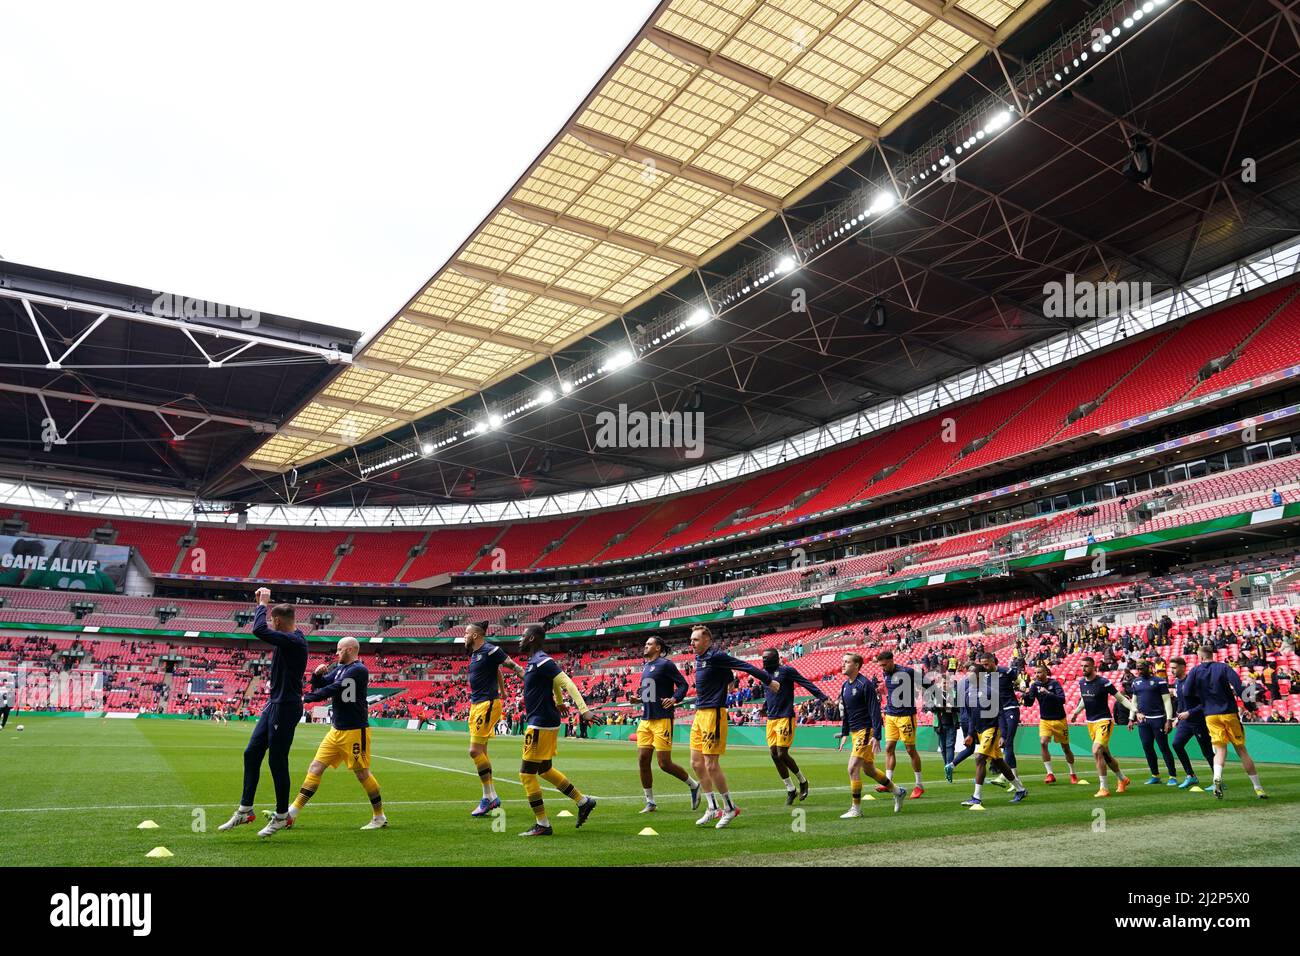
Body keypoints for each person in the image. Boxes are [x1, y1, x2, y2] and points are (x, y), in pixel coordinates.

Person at [218, 589, 309, 836]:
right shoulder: (290, 636)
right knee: (252, 753)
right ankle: (246, 810)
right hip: (274, 704)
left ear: (278, 622)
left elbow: (258, 630)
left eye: (272, 620)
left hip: (286, 707)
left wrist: (262, 603)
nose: (270, 624)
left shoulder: (294, 641)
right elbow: (267, 629)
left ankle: (282, 816)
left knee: (277, 760)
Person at [280, 636, 387, 831]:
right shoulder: (340, 669)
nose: (336, 653)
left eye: (339, 649)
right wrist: (317, 676)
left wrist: (305, 698)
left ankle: (379, 816)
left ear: (349, 650)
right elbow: (322, 685)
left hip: (355, 730)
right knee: (315, 767)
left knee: (362, 774)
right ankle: (292, 813)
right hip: (336, 730)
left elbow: (334, 689)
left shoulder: (358, 670)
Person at [687, 625, 780, 828]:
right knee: (696, 763)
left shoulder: (716, 656)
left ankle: (729, 808)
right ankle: (712, 807)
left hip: (713, 714)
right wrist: (729, 680)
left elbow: (743, 665)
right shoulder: (700, 659)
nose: (691, 643)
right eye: (691, 640)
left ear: (707, 641)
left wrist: (768, 680)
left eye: (695, 640)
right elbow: (726, 672)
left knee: (711, 764)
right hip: (699, 714)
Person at [516, 624, 603, 836]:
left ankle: (543, 824)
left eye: (523, 635)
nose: (520, 638)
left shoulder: (542, 660)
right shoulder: (535, 663)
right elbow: (553, 681)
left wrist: (583, 710)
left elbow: (567, 682)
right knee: (544, 769)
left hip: (540, 723)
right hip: (545, 720)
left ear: (532, 638)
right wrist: (559, 700)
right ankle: (583, 801)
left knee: (526, 774)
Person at [1183, 646, 1267, 800]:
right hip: (1228, 713)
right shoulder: (1223, 667)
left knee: (1220, 750)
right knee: (1241, 750)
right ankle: (1258, 788)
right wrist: (1250, 706)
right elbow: (1240, 687)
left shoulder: (1195, 671)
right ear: (1211, 655)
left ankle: (1217, 778)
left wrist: (1201, 698)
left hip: (1210, 715)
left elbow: (1187, 692)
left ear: (1201, 657)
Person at [464, 620, 525, 818]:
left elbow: (511, 665)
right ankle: (489, 797)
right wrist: (504, 689)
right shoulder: (476, 654)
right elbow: (497, 669)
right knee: (482, 752)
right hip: (477, 705)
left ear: (475, 635)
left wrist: (530, 680)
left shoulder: (491, 649)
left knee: (474, 751)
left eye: (466, 633)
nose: (464, 636)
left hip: (487, 705)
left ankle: (489, 797)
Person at [633, 635, 699, 813]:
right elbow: (650, 694)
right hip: (646, 719)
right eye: (645, 643)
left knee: (664, 763)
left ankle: (693, 785)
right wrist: (638, 699)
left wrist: (674, 698)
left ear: (658, 648)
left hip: (662, 719)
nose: (645, 646)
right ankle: (650, 802)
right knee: (643, 760)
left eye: (649, 644)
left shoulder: (666, 664)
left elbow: (683, 685)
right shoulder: (646, 666)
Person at [836, 653, 906, 817]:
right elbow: (846, 712)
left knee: (852, 768)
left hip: (866, 730)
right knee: (869, 770)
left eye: (846, 662)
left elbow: (874, 710)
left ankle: (856, 809)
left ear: (857, 665)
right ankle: (898, 791)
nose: (843, 664)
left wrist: (877, 736)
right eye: (842, 661)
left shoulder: (864, 684)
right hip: (855, 732)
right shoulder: (845, 686)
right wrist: (845, 732)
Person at [958, 655, 1028, 808]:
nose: (968, 675)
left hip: (992, 730)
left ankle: (976, 797)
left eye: (972, 672)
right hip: (979, 731)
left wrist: (1003, 734)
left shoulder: (990, 692)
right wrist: (970, 734)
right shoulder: (968, 693)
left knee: (980, 758)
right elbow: (971, 717)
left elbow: (1000, 714)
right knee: (999, 762)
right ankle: (1020, 789)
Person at [761, 647, 827, 804]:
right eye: (762, 658)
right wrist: (765, 706)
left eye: (766, 658)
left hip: (785, 717)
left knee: (782, 753)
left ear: (775, 659)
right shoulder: (764, 675)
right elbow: (770, 694)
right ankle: (790, 789)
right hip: (772, 719)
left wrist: (822, 697)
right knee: (773, 754)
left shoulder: (786, 671)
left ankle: (803, 781)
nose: (763, 660)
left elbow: (805, 683)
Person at [1070, 657, 1135, 798]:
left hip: (1104, 721)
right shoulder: (1082, 683)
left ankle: (1104, 788)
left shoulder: (1103, 683)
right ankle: (1123, 779)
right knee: (1106, 755)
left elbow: (1121, 698)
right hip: (1091, 723)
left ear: (1094, 667)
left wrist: (1135, 710)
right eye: (1082, 666)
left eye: (1086, 666)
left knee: (1096, 750)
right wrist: (1076, 712)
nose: (1083, 668)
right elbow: (1083, 699)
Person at [874, 651, 924, 798]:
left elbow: (927, 684)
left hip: (906, 716)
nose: (882, 668)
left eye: (884, 665)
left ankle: (919, 785)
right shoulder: (885, 673)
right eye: (880, 665)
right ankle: (888, 783)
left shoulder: (907, 672)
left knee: (910, 750)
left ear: (891, 661)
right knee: (889, 748)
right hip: (890, 715)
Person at [1021, 664, 1080, 784]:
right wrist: (1025, 697)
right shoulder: (1034, 685)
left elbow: (1062, 699)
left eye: (1039, 672)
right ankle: (1050, 774)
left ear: (1045, 673)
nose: (1037, 675)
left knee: (1066, 748)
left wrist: (1048, 692)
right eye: (1035, 673)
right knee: (1043, 743)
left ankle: (1073, 774)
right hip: (1045, 720)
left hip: (1059, 720)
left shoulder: (1055, 684)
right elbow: (1030, 702)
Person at [1128, 659, 1178, 785]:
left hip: (1158, 719)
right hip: (1143, 721)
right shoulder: (1135, 682)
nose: (1139, 671)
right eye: (1137, 668)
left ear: (1148, 668)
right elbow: (1134, 702)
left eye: (1141, 668)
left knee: (1163, 747)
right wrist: (1131, 718)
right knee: (1147, 747)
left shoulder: (1159, 681)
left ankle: (1172, 776)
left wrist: (1169, 720)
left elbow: (1167, 701)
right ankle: (1155, 775)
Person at [1169, 656, 1214, 789]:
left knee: (1207, 752)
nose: (1172, 670)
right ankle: (1191, 775)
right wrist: (1177, 717)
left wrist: (1190, 712)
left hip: (1198, 721)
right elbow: (1181, 703)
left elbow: (1204, 703)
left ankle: (1218, 779)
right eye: (1171, 668)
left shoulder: (1193, 682)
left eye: (1174, 668)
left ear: (1183, 667)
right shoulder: (1177, 683)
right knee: (1177, 744)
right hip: (1185, 722)